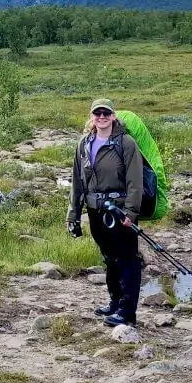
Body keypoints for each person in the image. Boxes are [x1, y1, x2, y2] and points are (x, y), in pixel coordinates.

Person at [66, 98, 144, 327]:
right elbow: (76, 182)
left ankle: (127, 312)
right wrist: (73, 214)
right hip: (95, 211)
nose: (102, 117)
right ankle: (115, 302)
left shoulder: (126, 143)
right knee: (109, 257)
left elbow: (135, 182)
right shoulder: (84, 143)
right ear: (92, 116)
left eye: (106, 113)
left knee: (128, 259)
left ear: (113, 116)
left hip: (120, 212)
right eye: (97, 113)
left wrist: (131, 212)